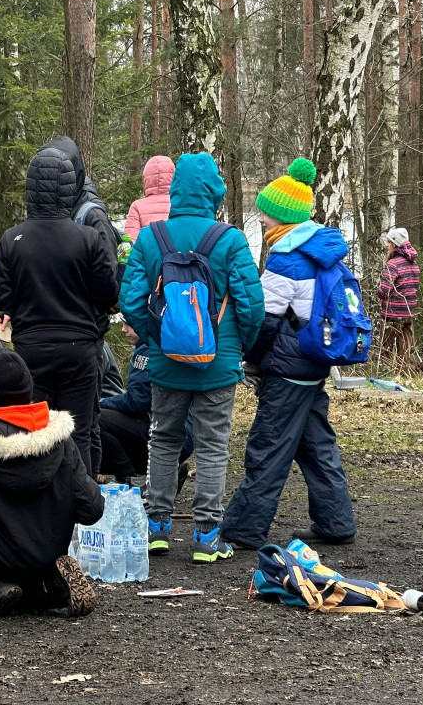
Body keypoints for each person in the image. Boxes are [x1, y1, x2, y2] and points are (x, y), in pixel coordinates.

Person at [120, 152, 264, 563]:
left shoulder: (152, 237)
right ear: (213, 192)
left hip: (166, 363)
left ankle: (157, 527)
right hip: (219, 364)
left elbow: (130, 299)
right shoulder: (231, 239)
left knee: (163, 437)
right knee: (213, 443)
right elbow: (252, 305)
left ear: (177, 190)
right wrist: (238, 346)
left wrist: (155, 339)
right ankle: (206, 534)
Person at [219, 158, 358, 549]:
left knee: (269, 444)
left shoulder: (287, 257)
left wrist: (251, 357)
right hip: (314, 361)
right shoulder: (319, 248)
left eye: (265, 212)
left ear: (283, 216)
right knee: (316, 445)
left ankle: (243, 530)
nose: (260, 218)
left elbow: (265, 319)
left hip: (288, 367)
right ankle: (336, 523)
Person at [0, 349, 103, 617]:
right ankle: (50, 584)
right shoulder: (61, 439)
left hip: (0, 558)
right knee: (33, 553)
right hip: (50, 551)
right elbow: (92, 508)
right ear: (28, 386)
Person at [0, 141, 118, 475]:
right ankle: (82, 512)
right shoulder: (88, 238)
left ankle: (38, 511)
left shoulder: (11, 239)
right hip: (80, 350)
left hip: (32, 351)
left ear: (30, 189)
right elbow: (108, 293)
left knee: (34, 433)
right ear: (70, 185)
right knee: (80, 434)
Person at [98, 323, 194, 491]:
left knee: (95, 419)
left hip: (170, 434)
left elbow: (136, 401)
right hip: (181, 433)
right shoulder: (158, 343)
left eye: (128, 324)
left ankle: (132, 480)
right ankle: (163, 477)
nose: (123, 329)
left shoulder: (149, 350)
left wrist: (100, 403)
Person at [376, 226, 420, 369]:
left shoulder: (393, 264)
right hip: (408, 312)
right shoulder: (414, 264)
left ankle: (385, 371)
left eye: (389, 242)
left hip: (392, 313)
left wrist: (379, 293)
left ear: (395, 244)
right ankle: (406, 371)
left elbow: (384, 290)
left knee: (386, 349)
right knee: (405, 350)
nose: (386, 244)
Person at [124, 155, 175, 240]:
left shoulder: (137, 206)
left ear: (146, 178)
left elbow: (130, 243)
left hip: (148, 252)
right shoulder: (180, 203)